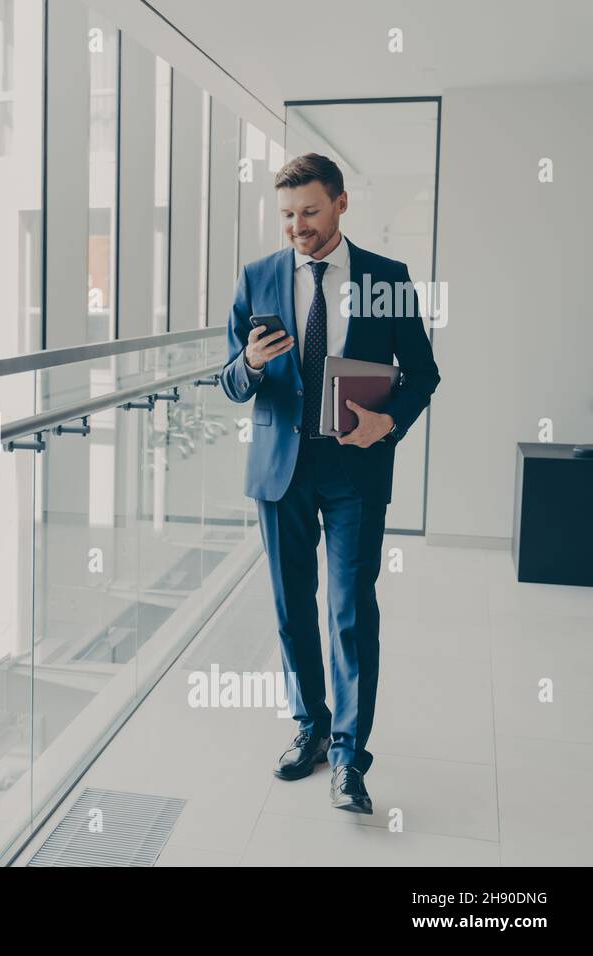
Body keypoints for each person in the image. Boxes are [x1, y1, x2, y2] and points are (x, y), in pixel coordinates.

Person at [220, 153, 440, 813]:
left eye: (310, 212)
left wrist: (387, 422)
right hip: (279, 469)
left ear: (341, 202)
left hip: (355, 467)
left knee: (350, 611)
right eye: (287, 215)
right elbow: (228, 380)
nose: (298, 228)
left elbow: (423, 372)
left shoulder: (386, 278)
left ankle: (349, 756)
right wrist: (250, 366)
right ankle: (310, 726)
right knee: (291, 611)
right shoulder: (257, 277)